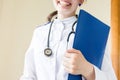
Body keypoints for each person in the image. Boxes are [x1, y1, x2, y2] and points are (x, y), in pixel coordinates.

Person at [20, 0, 117, 80]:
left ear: (81, 1)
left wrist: (88, 70)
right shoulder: (39, 33)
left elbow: (111, 78)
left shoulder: (94, 33)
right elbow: (28, 76)